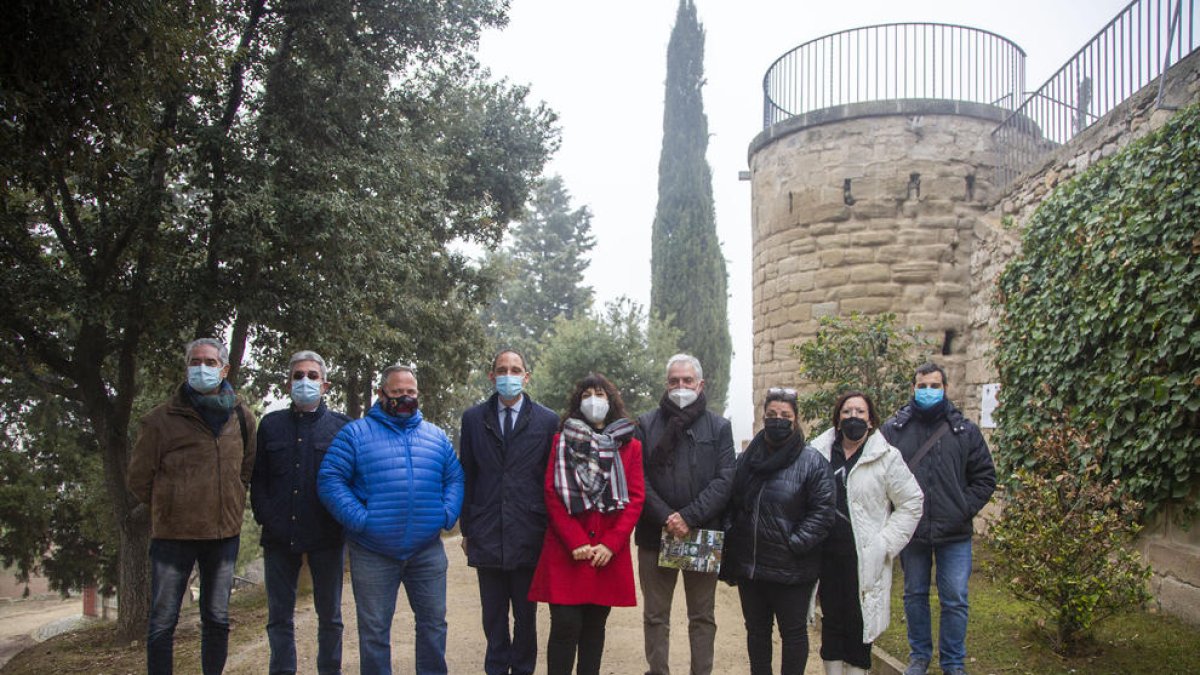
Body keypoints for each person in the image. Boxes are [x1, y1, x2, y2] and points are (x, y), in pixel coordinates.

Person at [318, 365, 464, 675]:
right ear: (382, 394)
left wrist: (446, 514)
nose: (405, 398)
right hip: (372, 551)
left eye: (410, 392)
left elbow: (454, 478)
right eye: (397, 393)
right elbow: (330, 480)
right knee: (374, 632)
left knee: (433, 625)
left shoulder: (436, 437)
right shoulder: (355, 434)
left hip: (426, 550)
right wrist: (360, 520)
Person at [127, 338, 257, 675]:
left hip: (223, 535)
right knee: (162, 622)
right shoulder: (159, 421)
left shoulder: (242, 417)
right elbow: (139, 478)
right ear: (187, 368)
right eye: (195, 361)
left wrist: (229, 499)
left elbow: (246, 469)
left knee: (217, 618)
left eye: (210, 362)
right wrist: (170, 506)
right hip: (173, 537)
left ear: (224, 368)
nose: (202, 368)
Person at [880, 363, 997, 675]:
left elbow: (985, 477)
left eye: (934, 385)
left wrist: (962, 507)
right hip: (913, 532)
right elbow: (879, 477)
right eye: (922, 385)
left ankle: (953, 663)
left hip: (954, 533)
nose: (928, 391)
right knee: (914, 595)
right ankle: (919, 657)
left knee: (955, 599)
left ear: (945, 389)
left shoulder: (965, 431)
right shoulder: (894, 430)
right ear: (913, 388)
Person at [528, 374, 645, 675]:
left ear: (611, 401)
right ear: (578, 402)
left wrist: (612, 543)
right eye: (587, 394)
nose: (595, 400)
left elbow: (634, 498)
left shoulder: (630, 446)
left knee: (594, 630)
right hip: (568, 552)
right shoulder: (561, 440)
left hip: (606, 553)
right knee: (565, 626)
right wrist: (575, 540)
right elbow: (552, 492)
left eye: (601, 394)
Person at [719, 387, 835, 675]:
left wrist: (794, 543)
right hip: (752, 567)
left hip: (792, 569)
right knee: (757, 633)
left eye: (785, 415)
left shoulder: (812, 461)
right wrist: (735, 533)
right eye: (772, 415)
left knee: (793, 634)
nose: (778, 420)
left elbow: (823, 512)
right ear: (763, 417)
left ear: (795, 420)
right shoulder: (747, 459)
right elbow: (731, 500)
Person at [459, 349, 559, 675]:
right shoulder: (473, 419)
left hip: (529, 533)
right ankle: (496, 668)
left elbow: (551, 480)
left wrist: (549, 529)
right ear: (492, 376)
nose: (508, 375)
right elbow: (468, 474)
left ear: (526, 376)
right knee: (493, 615)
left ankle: (524, 669)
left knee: (526, 616)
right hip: (486, 530)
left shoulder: (547, 420)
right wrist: (467, 529)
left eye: (515, 369)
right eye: (502, 369)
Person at [251, 350, 351, 675]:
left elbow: (351, 481)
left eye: (312, 375)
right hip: (279, 537)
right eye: (298, 376)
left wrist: (342, 520)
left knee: (330, 617)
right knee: (279, 617)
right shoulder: (270, 425)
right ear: (288, 383)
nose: (304, 381)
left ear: (325, 385)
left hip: (327, 537)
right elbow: (259, 480)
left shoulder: (342, 428)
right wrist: (267, 516)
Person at [809, 391, 923, 675]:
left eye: (860, 412)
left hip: (865, 559)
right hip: (826, 557)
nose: (853, 417)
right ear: (837, 419)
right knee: (832, 622)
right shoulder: (817, 453)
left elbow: (911, 502)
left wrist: (885, 543)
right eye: (847, 412)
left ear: (871, 420)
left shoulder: (886, 458)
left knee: (860, 625)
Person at [634, 353, 735, 675]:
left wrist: (689, 517)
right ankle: (658, 670)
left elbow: (725, 478)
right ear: (666, 384)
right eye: (674, 381)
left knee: (702, 616)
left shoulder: (719, 427)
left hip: (701, 533)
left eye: (687, 381)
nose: (681, 386)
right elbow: (639, 478)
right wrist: (667, 516)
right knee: (655, 615)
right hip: (656, 533)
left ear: (700, 384)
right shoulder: (646, 424)